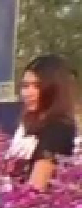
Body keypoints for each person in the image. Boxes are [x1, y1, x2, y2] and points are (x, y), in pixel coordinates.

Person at [8, 54, 77, 192]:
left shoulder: (58, 128)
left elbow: (37, 186)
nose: (28, 93)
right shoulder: (28, 125)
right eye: (25, 86)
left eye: (37, 86)